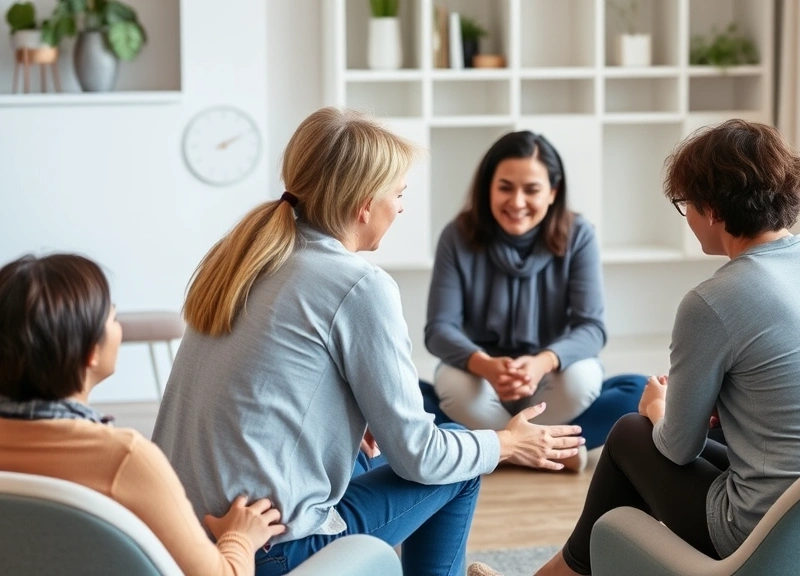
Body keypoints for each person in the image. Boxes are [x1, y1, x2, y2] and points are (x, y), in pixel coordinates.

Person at [150, 108, 584, 576]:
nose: (400, 207)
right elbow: (420, 457)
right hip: (269, 551)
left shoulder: (242, 255)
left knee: (368, 453)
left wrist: (352, 417)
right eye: (398, 195)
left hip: (185, 537)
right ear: (364, 204)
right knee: (462, 457)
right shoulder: (355, 284)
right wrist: (507, 443)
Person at [520, 119, 800, 576]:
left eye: (685, 204)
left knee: (630, 434)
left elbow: (678, 449)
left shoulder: (712, 301)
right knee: (701, 439)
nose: (687, 218)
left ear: (713, 209)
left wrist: (658, 409)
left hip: (776, 536)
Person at [0, 253, 285, 576]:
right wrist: (240, 536)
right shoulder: (124, 460)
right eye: (113, 318)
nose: (118, 326)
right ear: (91, 353)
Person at [424, 131, 617, 472]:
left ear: (553, 192)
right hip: (481, 378)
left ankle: (492, 449)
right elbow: (439, 329)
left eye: (531, 189)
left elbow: (592, 328)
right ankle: (547, 450)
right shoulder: (457, 235)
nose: (517, 202)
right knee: (435, 390)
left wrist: (542, 362)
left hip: (548, 380)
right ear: (488, 188)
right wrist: (486, 366)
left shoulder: (579, 235)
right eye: (505, 187)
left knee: (614, 388)